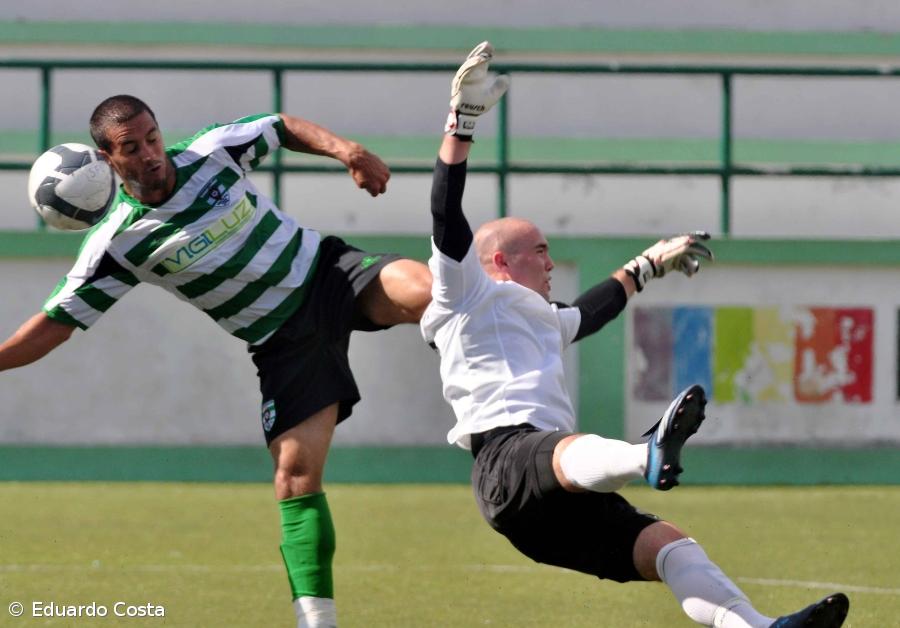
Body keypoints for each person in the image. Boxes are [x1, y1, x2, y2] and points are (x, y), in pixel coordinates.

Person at [422, 42, 851, 628]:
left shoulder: (545, 317)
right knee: (565, 449)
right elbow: (447, 215)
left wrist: (650, 262)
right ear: (499, 260)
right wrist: (461, 125)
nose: (551, 263)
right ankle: (642, 453)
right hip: (508, 461)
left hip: (551, 497)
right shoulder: (467, 291)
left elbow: (592, 311)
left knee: (672, 548)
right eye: (540, 251)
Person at [0, 97, 432, 627]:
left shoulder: (211, 152)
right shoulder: (116, 244)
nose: (151, 154)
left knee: (430, 291)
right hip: (282, 342)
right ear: (106, 159)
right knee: (295, 479)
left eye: (153, 137)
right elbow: (52, 327)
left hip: (329, 274)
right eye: (132, 148)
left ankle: (540, 322)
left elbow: (279, 126)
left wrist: (349, 151)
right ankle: (317, 621)